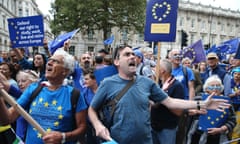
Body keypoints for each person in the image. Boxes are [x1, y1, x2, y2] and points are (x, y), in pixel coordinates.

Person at [88, 45, 230, 144]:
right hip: (117, 141)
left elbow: (171, 102)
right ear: (117, 61)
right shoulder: (107, 83)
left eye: (133, 54)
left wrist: (201, 103)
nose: (132, 56)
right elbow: (92, 109)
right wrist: (98, 126)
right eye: (127, 54)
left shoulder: (147, 83)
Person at [0, 49, 87, 144]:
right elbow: (7, 119)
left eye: (55, 61)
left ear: (65, 71)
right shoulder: (33, 89)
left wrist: (63, 137)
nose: (49, 63)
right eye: (50, 60)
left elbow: (82, 128)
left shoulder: (75, 95)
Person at [187, 75, 236, 144]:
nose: (215, 88)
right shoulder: (198, 99)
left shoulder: (225, 102)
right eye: (212, 86)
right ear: (206, 88)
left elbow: (233, 119)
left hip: (217, 137)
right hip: (197, 135)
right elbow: (188, 113)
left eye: (218, 86)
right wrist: (197, 111)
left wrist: (221, 129)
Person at [151, 59, 184, 144]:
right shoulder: (157, 84)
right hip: (153, 127)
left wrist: (166, 101)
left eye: (156, 67)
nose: (153, 69)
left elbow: (179, 111)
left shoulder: (177, 86)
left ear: (162, 71)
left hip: (167, 129)